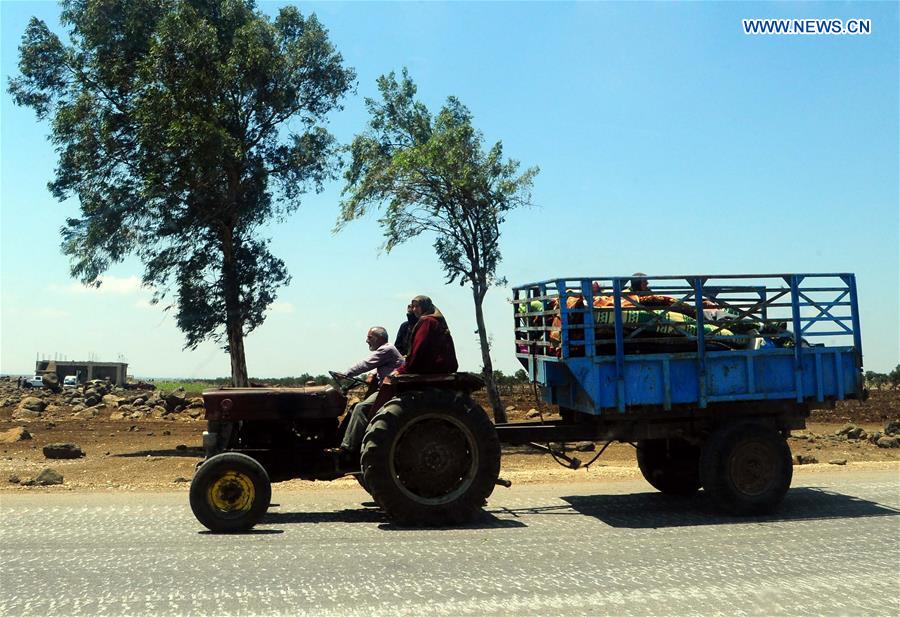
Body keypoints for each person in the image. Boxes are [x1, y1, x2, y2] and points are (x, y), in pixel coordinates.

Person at [337, 327, 403, 467]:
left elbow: (365, 364)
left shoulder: (387, 349)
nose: (367, 341)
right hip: (384, 387)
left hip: (391, 390)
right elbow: (375, 366)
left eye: (370, 337)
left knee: (361, 408)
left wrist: (346, 374)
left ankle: (348, 449)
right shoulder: (387, 351)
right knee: (355, 406)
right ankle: (339, 440)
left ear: (379, 338)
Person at [394, 295, 458, 375]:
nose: (414, 310)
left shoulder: (427, 321)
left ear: (424, 306)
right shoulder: (436, 320)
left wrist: (402, 370)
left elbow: (419, 348)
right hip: (445, 366)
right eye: (413, 307)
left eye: (417, 306)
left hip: (432, 367)